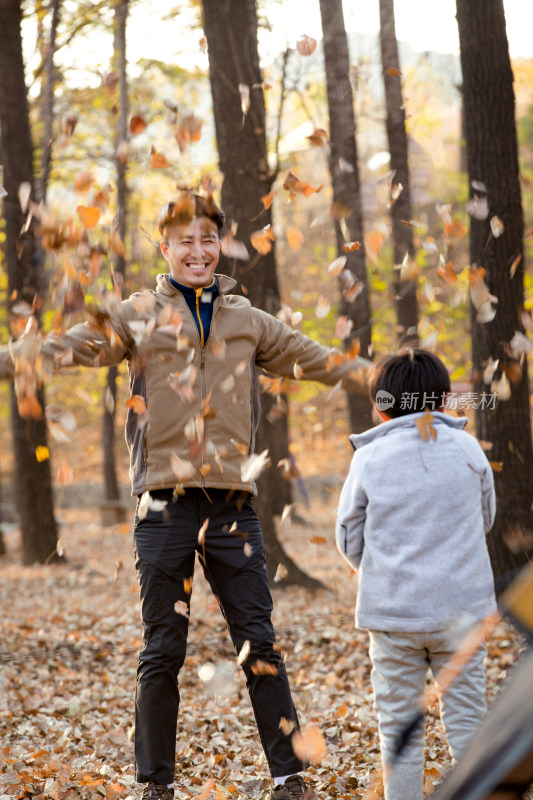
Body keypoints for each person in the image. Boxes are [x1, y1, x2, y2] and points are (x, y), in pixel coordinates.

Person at [0, 193, 369, 800]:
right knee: (162, 646)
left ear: (219, 246)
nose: (197, 251)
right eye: (184, 241)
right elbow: (74, 346)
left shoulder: (247, 319)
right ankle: (157, 784)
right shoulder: (138, 314)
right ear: (164, 248)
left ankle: (288, 776)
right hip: (163, 504)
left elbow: (314, 359)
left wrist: (389, 380)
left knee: (258, 640)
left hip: (231, 506)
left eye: (207, 239)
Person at [335, 348, 497, 800]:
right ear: (445, 400)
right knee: (468, 720)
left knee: (399, 730)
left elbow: (348, 534)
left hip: (393, 615)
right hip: (462, 611)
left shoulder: (370, 458)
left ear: (380, 405)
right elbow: (486, 517)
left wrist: (377, 571)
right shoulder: (467, 449)